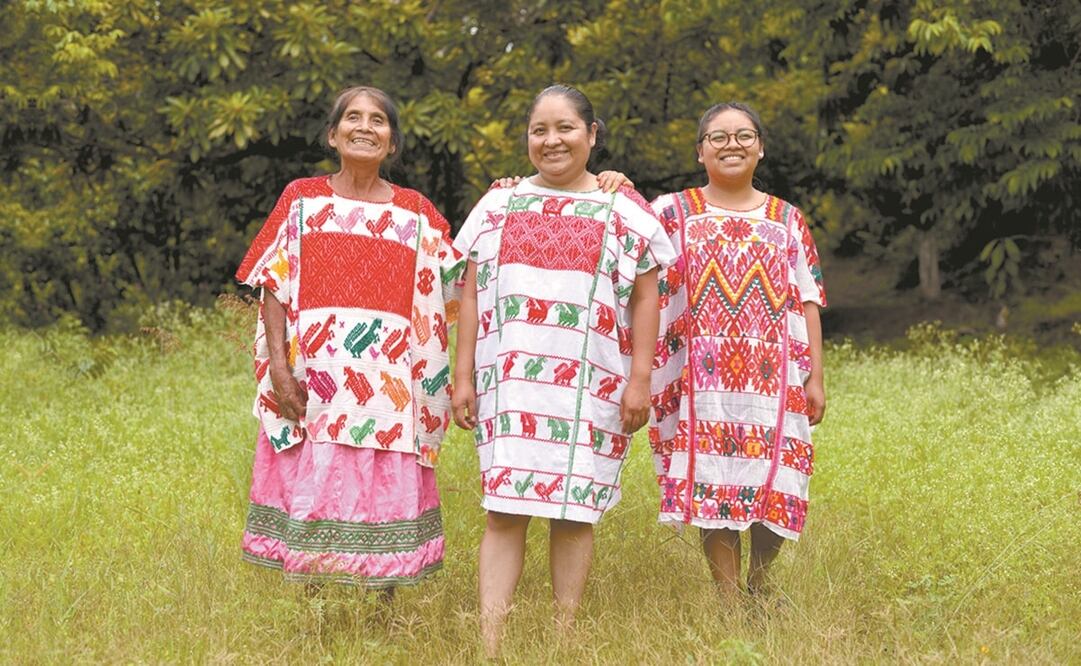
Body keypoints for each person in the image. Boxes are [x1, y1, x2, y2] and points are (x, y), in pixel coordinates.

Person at [451, 84, 676, 655]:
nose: (551, 141)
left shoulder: (624, 211)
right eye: (539, 130)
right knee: (504, 511)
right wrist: (462, 376)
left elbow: (647, 297)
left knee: (574, 513)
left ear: (592, 134)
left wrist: (640, 378)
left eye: (566, 128)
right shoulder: (497, 205)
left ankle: (562, 638)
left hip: (592, 386)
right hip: (510, 388)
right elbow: (471, 296)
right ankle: (490, 643)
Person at [234, 86, 464, 591]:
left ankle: (382, 610)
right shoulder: (302, 198)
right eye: (353, 118)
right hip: (316, 381)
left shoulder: (417, 212)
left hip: (391, 391)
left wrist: (513, 190)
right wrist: (278, 366)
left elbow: (464, 276)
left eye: (378, 120)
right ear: (332, 135)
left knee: (384, 495)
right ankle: (316, 612)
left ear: (393, 142)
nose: (365, 126)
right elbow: (271, 283)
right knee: (315, 487)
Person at [648, 102, 827, 598]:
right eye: (719, 136)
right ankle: (728, 596)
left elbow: (808, 299)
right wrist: (611, 181)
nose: (732, 144)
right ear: (700, 150)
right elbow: (619, 236)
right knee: (715, 480)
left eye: (744, 135)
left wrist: (816, 376)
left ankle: (760, 584)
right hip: (701, 382)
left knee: (777, 481)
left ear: (761, 148)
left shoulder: (787, 219)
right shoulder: (670, 213)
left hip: (774, 380)